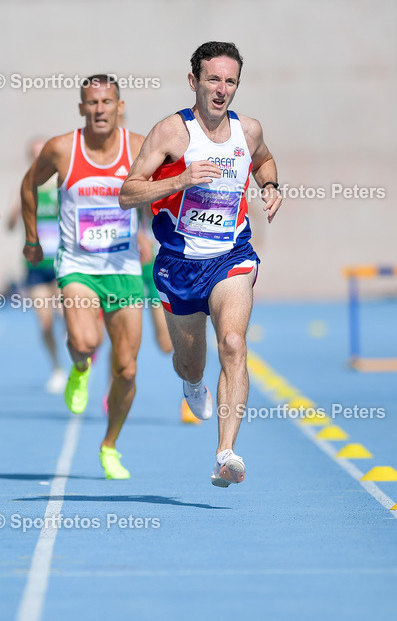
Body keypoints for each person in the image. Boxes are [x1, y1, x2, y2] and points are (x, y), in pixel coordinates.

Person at [119, 41, 283, 487]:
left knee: (232, 342)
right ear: (194, 81)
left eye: (230, 81)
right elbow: (128, 193)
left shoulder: (248, 131)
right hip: (179, 265)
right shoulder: (170, 134)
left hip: (231, 256)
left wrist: (270, 186)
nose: (221, 89)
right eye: (213, 79)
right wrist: (180, 178)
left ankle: (225, 453)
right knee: (191, 363)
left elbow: (264, 160)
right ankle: (192, 384)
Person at [20, 75, 145, 480]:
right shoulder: (62, 149)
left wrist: (148, 233)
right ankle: (79, 367)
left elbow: (161, 192)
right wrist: (32, 239)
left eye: (107, 102)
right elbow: (29, 185)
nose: (99, 109)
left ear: (120, 107)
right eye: (92, 102)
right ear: (81, 108)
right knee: (87, 342)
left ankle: (110, 446)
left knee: (127, 370)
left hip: (124, 269)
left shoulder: (139, 147)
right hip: (77, 265)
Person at [8, 137, 67, 394]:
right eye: (34, 154)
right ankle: (57, 368)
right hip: (35, 264)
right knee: (45, 323)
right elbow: (10, 226)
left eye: (42, 153)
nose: (39, 158)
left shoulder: (62, 184)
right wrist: (17, 208)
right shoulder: (26, 186)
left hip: (62, 261)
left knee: (64, 313)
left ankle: (77, 345)